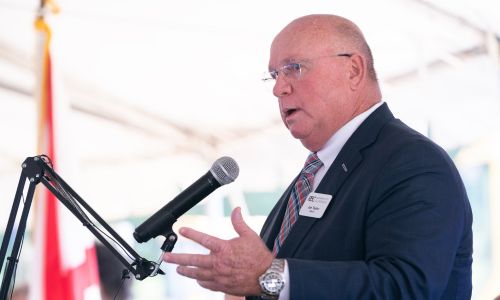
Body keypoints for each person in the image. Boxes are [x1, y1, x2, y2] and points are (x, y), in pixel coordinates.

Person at [163, 14, 473, 299]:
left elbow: (405, 287)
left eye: (294, 68)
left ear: (353, 70)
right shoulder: (315, 174)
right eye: (273, 75)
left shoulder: (413, 162)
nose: (278, 89)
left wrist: (268, 276)